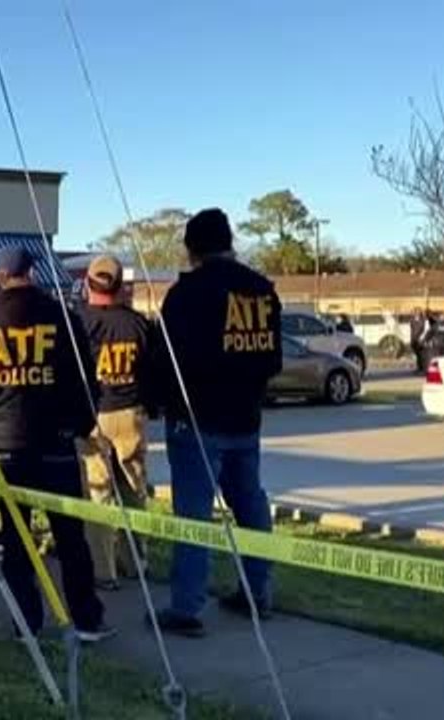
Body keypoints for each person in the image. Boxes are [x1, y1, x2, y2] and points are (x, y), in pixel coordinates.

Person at [0, 246, 114, 642]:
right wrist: (81, 425)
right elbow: (86, 379)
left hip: (8, 445)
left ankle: (26, 624)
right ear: (31, 273)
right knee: (70, 537)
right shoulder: (61, 317)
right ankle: (86, 619)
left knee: (17, 539)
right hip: (57, 443)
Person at [148, 208, 283, 637]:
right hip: (246, 418)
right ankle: (257, 592)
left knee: (194, 515)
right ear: (229, 242)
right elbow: (273, 360)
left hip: (198, 420)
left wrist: (159, 400)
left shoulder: (188, 295)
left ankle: (186, 608)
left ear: (192, 249)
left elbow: (166, 361)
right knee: (251, 507)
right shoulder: (262, 291)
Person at [78, 255, 153, 591]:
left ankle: (102, 570)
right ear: (120, 284)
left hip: (93, 414)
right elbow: (153, 369)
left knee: (98, 494)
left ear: (88, 283)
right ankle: (136, 562)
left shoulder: (79, 322)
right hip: (131, 412)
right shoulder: (138, 323)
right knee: (135, 489)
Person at [409, 308, 428, 374]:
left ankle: (423, 369)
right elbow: (412, 330)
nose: (416, 313)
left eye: (418, 312)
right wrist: (412, 339)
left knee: (422, 355)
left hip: (420, 339)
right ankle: (419, 368)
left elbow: (422, 329)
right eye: (415, 312)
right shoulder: (412, 320)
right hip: (414, 339)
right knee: (418, 355)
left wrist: (420, 338)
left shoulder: (423, 320)